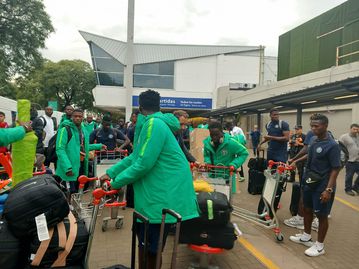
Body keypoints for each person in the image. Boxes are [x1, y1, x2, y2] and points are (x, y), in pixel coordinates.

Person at [100, 90, 198, 269]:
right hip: (156, 195)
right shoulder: (153, 124)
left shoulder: (154, 124)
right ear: (159, 106)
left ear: (140, 107)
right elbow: (136, 156)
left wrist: (114, 183)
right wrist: (111, 172)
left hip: (160, 197)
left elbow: (144, 163)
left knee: (152, 249)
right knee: (147, 246)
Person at [289, 114, 340, 257]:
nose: (313, 128)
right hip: (309, 181)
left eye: (316, 126)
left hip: (323, 185)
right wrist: (295, 160)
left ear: (325, 126)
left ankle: (319, 246)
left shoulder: (332, 146)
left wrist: (328, 189)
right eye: (312, 126)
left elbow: (335, 169)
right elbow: (310, 155)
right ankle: (306, 236)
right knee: (307, 208)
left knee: (321, 214)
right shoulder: (312, 139)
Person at [55, 108, 105, 194]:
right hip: (69, 167)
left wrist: (99, 146)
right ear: (71, 117)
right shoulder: (65, 130)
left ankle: (74, 207)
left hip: (81, 165)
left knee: (79, 191)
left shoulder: (84, 131)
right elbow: (60, 149)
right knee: (68, 192)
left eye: (80, 116)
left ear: (82, 118)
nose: (77, 118)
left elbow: (83, 147)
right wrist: (67, 167)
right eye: (75, 116)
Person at [203, 120, 249, 193]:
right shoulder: (207, 143)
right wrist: (207, 162)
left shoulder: (231, 142)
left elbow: (244, 153)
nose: (214, 137)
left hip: (227, 177)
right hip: (212, 176)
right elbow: (206, 155)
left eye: (217, 134)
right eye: (212, 135)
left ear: (222, 132)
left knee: (225, 199)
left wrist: (234, 164)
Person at [339, 123, 359, 196]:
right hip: (350, 160)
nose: (355, 131)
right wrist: (343, 159)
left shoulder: (358, 136)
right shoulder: (344, 137)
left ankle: (356, 187)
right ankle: (348, 189)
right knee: (349, 176)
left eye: (357, 129)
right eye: (354, 129)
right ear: (350, 129)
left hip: (358, 160)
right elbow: (340, 148)